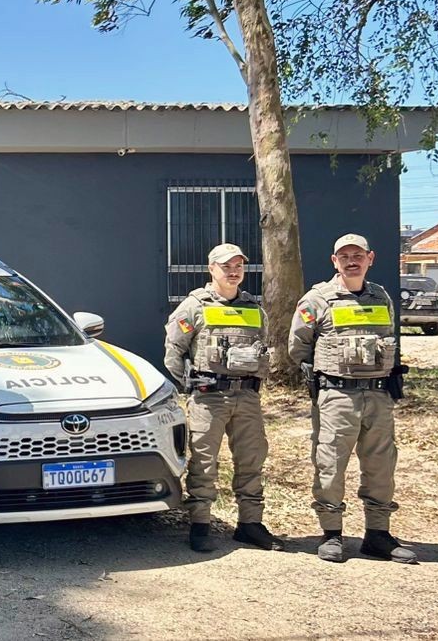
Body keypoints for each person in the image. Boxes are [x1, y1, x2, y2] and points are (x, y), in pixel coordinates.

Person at [289, 233, 416, 564]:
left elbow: (387, 339)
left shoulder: (381, 297)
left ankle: (378, 535)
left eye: (357, 254)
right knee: (331, 463)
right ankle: (331, 534)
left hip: (378, 395)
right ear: (335, 261)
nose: (351, 260)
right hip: (337, 395)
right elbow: (297, 347)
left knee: (381, 464)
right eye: (344, 256)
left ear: (370, 258)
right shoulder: (317, 299)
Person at [163, 243, 284, 553]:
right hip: (209, 398)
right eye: (226, 266)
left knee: (252, 459)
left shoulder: (253, 308)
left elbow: (263, 347)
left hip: (246, 397)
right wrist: (191, 385)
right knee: (204, 461)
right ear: (211, 269)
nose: (233, 271)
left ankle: (250, 524)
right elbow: (173, 351)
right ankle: (201, 524)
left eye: (238, 266)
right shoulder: (194, 306)